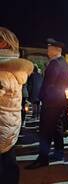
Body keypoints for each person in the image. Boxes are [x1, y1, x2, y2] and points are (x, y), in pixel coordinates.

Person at [26, 38, 68, 169]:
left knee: (45, 131)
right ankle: (58, 152)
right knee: (57, 128)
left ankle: (43, 158)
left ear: (57, 50)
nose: (48, 50)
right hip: (59, 102)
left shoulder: (55, 63)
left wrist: (43, 98)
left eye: (50, 48)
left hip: (51, 103)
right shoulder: (63, 62)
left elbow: (49, 84)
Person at [0, 27, 33, 183]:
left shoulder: (3, 72)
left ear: (3, 44)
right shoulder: (11, 68)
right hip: (8, 127)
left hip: (3, 127)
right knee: (8, 163)